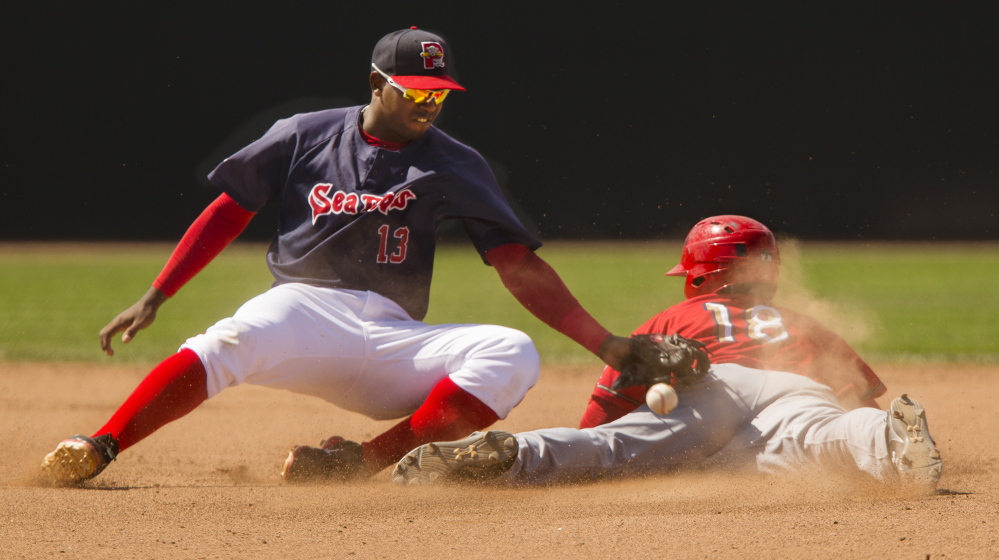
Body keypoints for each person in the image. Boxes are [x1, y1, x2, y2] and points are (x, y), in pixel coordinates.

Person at [41, 27, 633, 485]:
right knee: (229, 339)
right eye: (416, 91)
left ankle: (361, 463)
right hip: (305, 313)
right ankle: (100, 445)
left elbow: (517, 264)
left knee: (512, 353)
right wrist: (159, 292)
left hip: (394, 338)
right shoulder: (305, 133)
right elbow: (231, 207)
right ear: (377, 83)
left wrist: (607, 345)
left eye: (440, 93)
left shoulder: (456, 162)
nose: (430, 104)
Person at [391, 215, 944, 493]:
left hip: (713, 391)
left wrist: (600, 429)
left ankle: (513, 457)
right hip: (798, 394)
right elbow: (852, 395)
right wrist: (863, 416)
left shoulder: (674, 319)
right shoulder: (804, 324)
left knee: (612, 449)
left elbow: (602, 416)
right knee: (825, 438)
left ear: (699, 273)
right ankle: (890, 442)